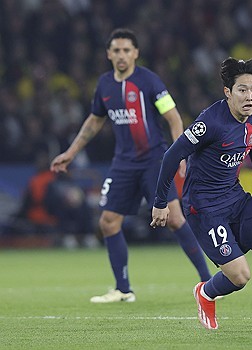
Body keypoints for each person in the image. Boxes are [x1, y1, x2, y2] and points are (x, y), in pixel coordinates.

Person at [50, 28, 211, 303]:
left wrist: (181, 153)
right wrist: (71, 152)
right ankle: (123, 290)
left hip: (154, 160)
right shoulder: (104, 85)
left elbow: (173, 118)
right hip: (123, 164)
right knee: (108, 222)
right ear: (108, 54)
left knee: (174, 218)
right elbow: (94, 121)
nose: (121, 55)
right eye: (116, 50)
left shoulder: (150, 81)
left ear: (135, 53)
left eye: (127, 50)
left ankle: (208, 283)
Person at [151, 57, 252, 330]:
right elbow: (172, 156)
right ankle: (205, 293)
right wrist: (161, 203)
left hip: (236, 199)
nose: (250, 96)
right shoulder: (210, 122)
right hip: (204, 208)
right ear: (227, 92)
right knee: (240, 276)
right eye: (242, 89)